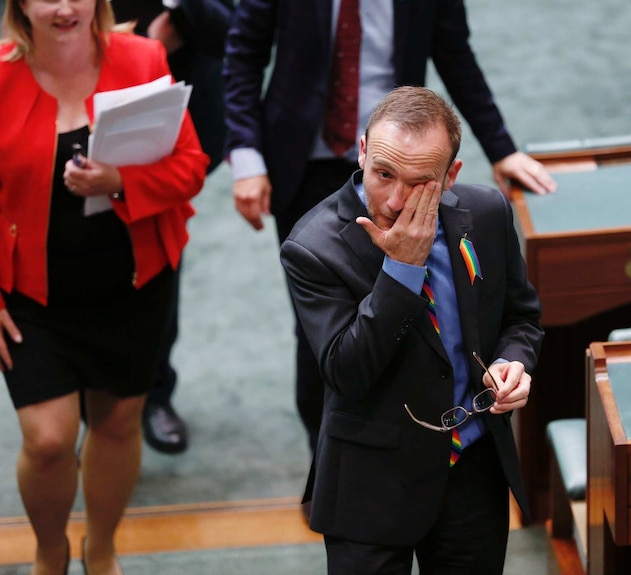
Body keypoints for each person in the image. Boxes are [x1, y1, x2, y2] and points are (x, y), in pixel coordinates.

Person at [223, 0, 557, 458]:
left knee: (428, 298)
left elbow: (455, 54)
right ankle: (326, 460)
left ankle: (423, 445)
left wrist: (501, 148)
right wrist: (246, 156)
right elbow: (242, 54)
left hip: (407, 160)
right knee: (323, 318)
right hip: (304, 158)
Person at [281, 86, 544, 574]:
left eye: (420, 182)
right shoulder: (313, 247)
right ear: (362, 151)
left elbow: (520, 317)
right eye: (383, 174)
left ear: (450, 177)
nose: (396, 199)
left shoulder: (486, 215)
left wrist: (513, 362)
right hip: (370, 482)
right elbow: (347, 370)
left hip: (471, 468)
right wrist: (401, 269)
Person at [0, 0, 208, 570]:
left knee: (117, 424)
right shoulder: (0, 76)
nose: (65, 7)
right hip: (31, 295)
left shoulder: (142, 60)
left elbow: (190, 167)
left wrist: (120, 181)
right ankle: (50, 551)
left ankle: (103, 547)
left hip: (131, 284)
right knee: (47, 441)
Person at [110, 0, 234, 454]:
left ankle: (154, 395)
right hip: (79, 107)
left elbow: (230, 32)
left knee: (161, 255)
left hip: (175, 129)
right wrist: (139, 52)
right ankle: (93, 405)